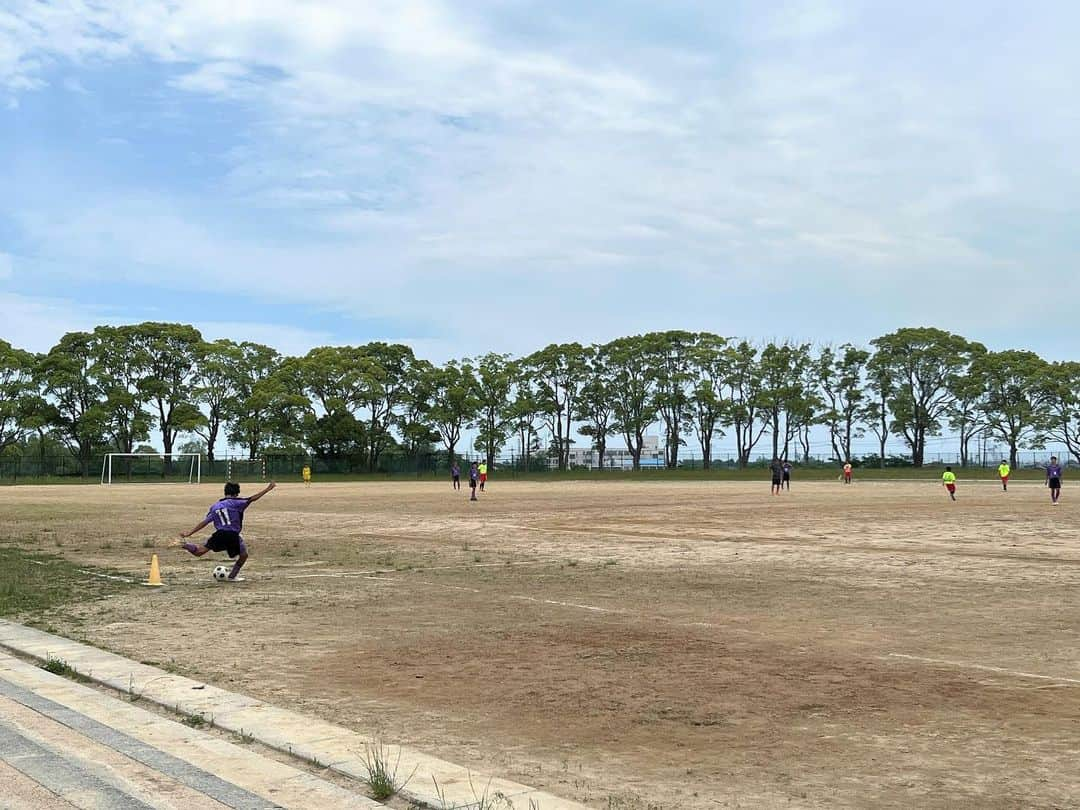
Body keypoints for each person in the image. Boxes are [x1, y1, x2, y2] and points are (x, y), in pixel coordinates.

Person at [179, 481, 276, 581]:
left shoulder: (215, 507)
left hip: (219, 534)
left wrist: (189, 533)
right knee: (243, 556)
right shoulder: (237, 502)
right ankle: (231, 577)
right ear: (236, 494)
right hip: (233, 535)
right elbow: (252, 499)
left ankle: (185, 545)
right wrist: (267, 489)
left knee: (199, 552)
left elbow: (205, 522)